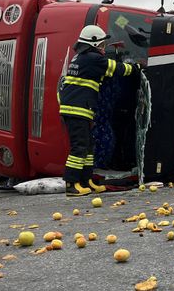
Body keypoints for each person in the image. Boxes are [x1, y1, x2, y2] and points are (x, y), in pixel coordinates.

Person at [58, 25, 139, 197]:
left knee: (88, 147)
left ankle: (87, 181)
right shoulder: (92, 58)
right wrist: (136, 68)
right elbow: (117, 69)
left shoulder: (81, 57)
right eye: (102, 44)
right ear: (93, 44)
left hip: (79, 109)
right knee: (79, 148)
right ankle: (71, 184)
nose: (103, 48)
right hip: (76, 110)